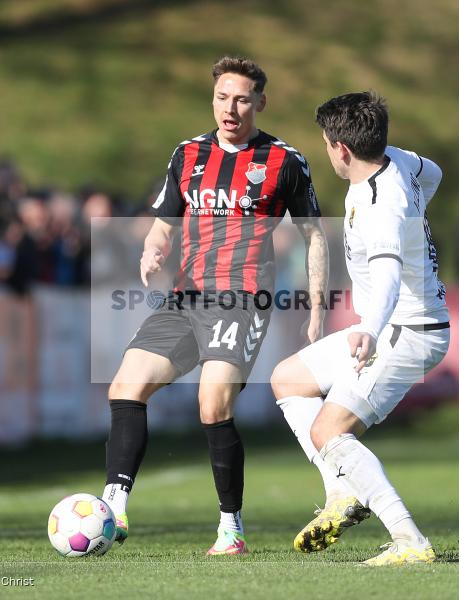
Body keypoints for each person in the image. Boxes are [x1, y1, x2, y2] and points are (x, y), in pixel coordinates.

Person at [102, 56, 327, 555]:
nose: (231, 107)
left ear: (260, 103)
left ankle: (231, 528)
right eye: (223, 97)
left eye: (242, 98)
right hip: (186, 297)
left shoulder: (285, 161)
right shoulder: (187, 154)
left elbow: (314, 236)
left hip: (242, 298)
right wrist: (153, 247)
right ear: (213, 100)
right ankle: (112, 510)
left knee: (212, 404)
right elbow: (165, 219)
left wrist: (315, 304)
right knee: (125, 385)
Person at [270, 91, 449, 566]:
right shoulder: (399, 162)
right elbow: (434, 174)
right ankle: (342, 495)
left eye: (326, 144)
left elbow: (390, 273)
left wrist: (370, 327)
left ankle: (410, 541)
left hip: (408, 330)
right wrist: (418, 217)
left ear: (341, 149)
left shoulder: (381, 206)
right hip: (394, 324)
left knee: (330, 429)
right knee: (288, 378)